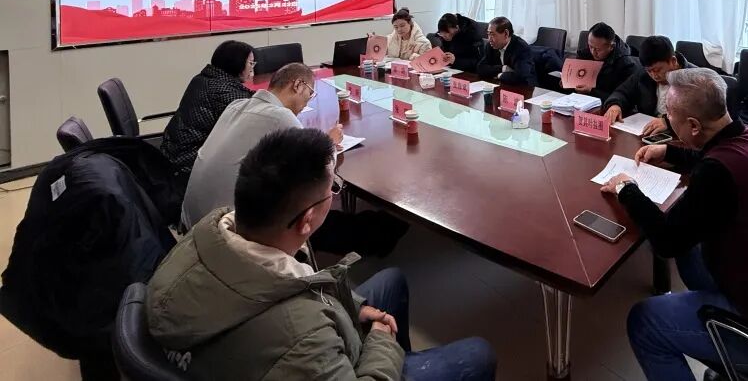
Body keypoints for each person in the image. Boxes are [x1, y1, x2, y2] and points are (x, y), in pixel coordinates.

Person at [147, 128, 497, 381]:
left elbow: (301, 290)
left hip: (263, 346)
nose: (334, 194)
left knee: (392, 281)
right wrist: (381, 344)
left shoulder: (205, 236)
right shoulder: (301, 337)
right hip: (313, 354)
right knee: (477, 353)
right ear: (307, 220)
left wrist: (356, 309)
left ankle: (402, 361)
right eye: (333, 189)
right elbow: (301, 332)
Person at [600, 68, 748, 381]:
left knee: (644, 322)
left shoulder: (717, 173)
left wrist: (627, 188)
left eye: (671, 116)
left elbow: (666, 241)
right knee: (690, 250)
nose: (667, 120)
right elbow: (712, 157)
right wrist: (668, 150)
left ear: (694, 126)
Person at [181, 63, 343, 228]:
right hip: (224, 230)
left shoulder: (235, 105)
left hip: (192, 221)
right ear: (298, 85)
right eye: (310, 93)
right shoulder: (280, 117)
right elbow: (319, 169)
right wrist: (329, 142)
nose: (307, 102)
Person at [160, 40, 256, 184]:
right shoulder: (221, 91)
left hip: (172, 152)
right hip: (188, 162)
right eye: (251, 63)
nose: (252, 68)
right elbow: (257, 110)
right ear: (236, 64)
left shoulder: (203, 78)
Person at [603, 36, 695, 136]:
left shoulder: (695, 79)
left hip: (681, 137)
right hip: (648, 133)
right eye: (649, 71)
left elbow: (699, 116)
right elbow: (623, 92)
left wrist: (668, 122)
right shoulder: (644, 75)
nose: (654, 75)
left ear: (673, 61)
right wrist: (615, 105)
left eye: (658, 70)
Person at [568, 22, 640, 102]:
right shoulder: (585, 53)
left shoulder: (626, 65)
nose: (593, 52)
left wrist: (591, 91)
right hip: (581, 101)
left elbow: (622, 97)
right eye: (590, 46)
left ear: (611, 46)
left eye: (598, 49)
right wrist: (569, 82)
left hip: (607, 104)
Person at [477, 17, 538, 86]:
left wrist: (500, 75)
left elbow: (520, 77)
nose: (489, 39)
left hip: (526, 88)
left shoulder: (521, 48)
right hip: (503, 85)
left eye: (492, 34)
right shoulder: (491, 45)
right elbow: (481, 68)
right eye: (488, 34)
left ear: (506, 34)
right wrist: (503, 68)